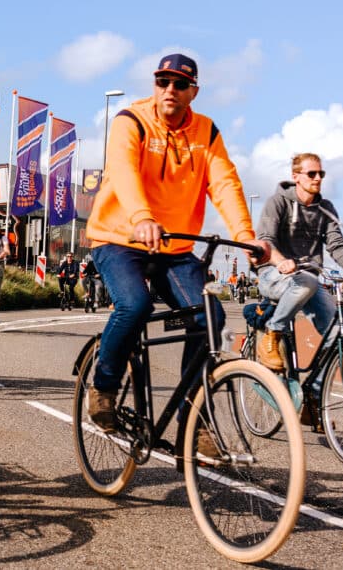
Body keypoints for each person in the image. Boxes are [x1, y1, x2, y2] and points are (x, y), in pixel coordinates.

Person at [84, 52, 268, 448]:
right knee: (135, 306)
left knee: (208, 316)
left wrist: (246, 234)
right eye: (162, 81)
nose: (170, 89)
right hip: (119, 238)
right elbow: (124, 171)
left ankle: (195, 422)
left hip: (174, 246)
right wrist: (141, 217)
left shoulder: (207, 133)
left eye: (180, 84)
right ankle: (104, 387)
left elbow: (225, 185)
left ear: (194, 92)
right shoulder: (130, 121)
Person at [255, 153, 343, 373]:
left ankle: (314, 394)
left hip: (307, 282)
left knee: (336, 335)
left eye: (321, 174)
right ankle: (272, 334)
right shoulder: (277, 203)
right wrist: (281, 261)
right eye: (312, 173)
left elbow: (336, 245)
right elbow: (266, 241)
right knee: (307, 281)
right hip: (273, 275)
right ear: (296, 176)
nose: (318, 178)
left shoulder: (325, 208)